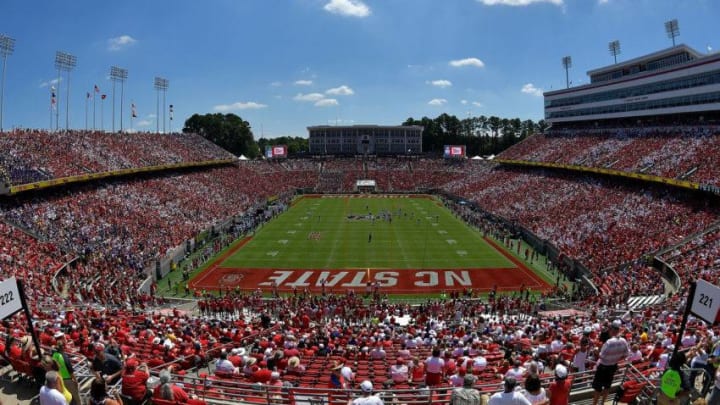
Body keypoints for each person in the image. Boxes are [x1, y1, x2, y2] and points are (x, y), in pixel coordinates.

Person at [591, 320, 630, 405]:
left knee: (598, 388)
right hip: (613, 367)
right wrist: (616, 359)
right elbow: (626, 355)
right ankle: (602, 403)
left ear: (611, 329)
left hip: (603, 367)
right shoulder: (623, 341)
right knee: (607, 387)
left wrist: (596, 352)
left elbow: (602, 356)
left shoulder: (609, 342)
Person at [53, 341, 80, 405]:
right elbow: (70, 370)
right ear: (63, 347)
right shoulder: (64, 357)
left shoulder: (54, 355)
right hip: (68, 380)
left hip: (59, 379)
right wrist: (75, 381)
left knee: (66, 397)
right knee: (76, 397)